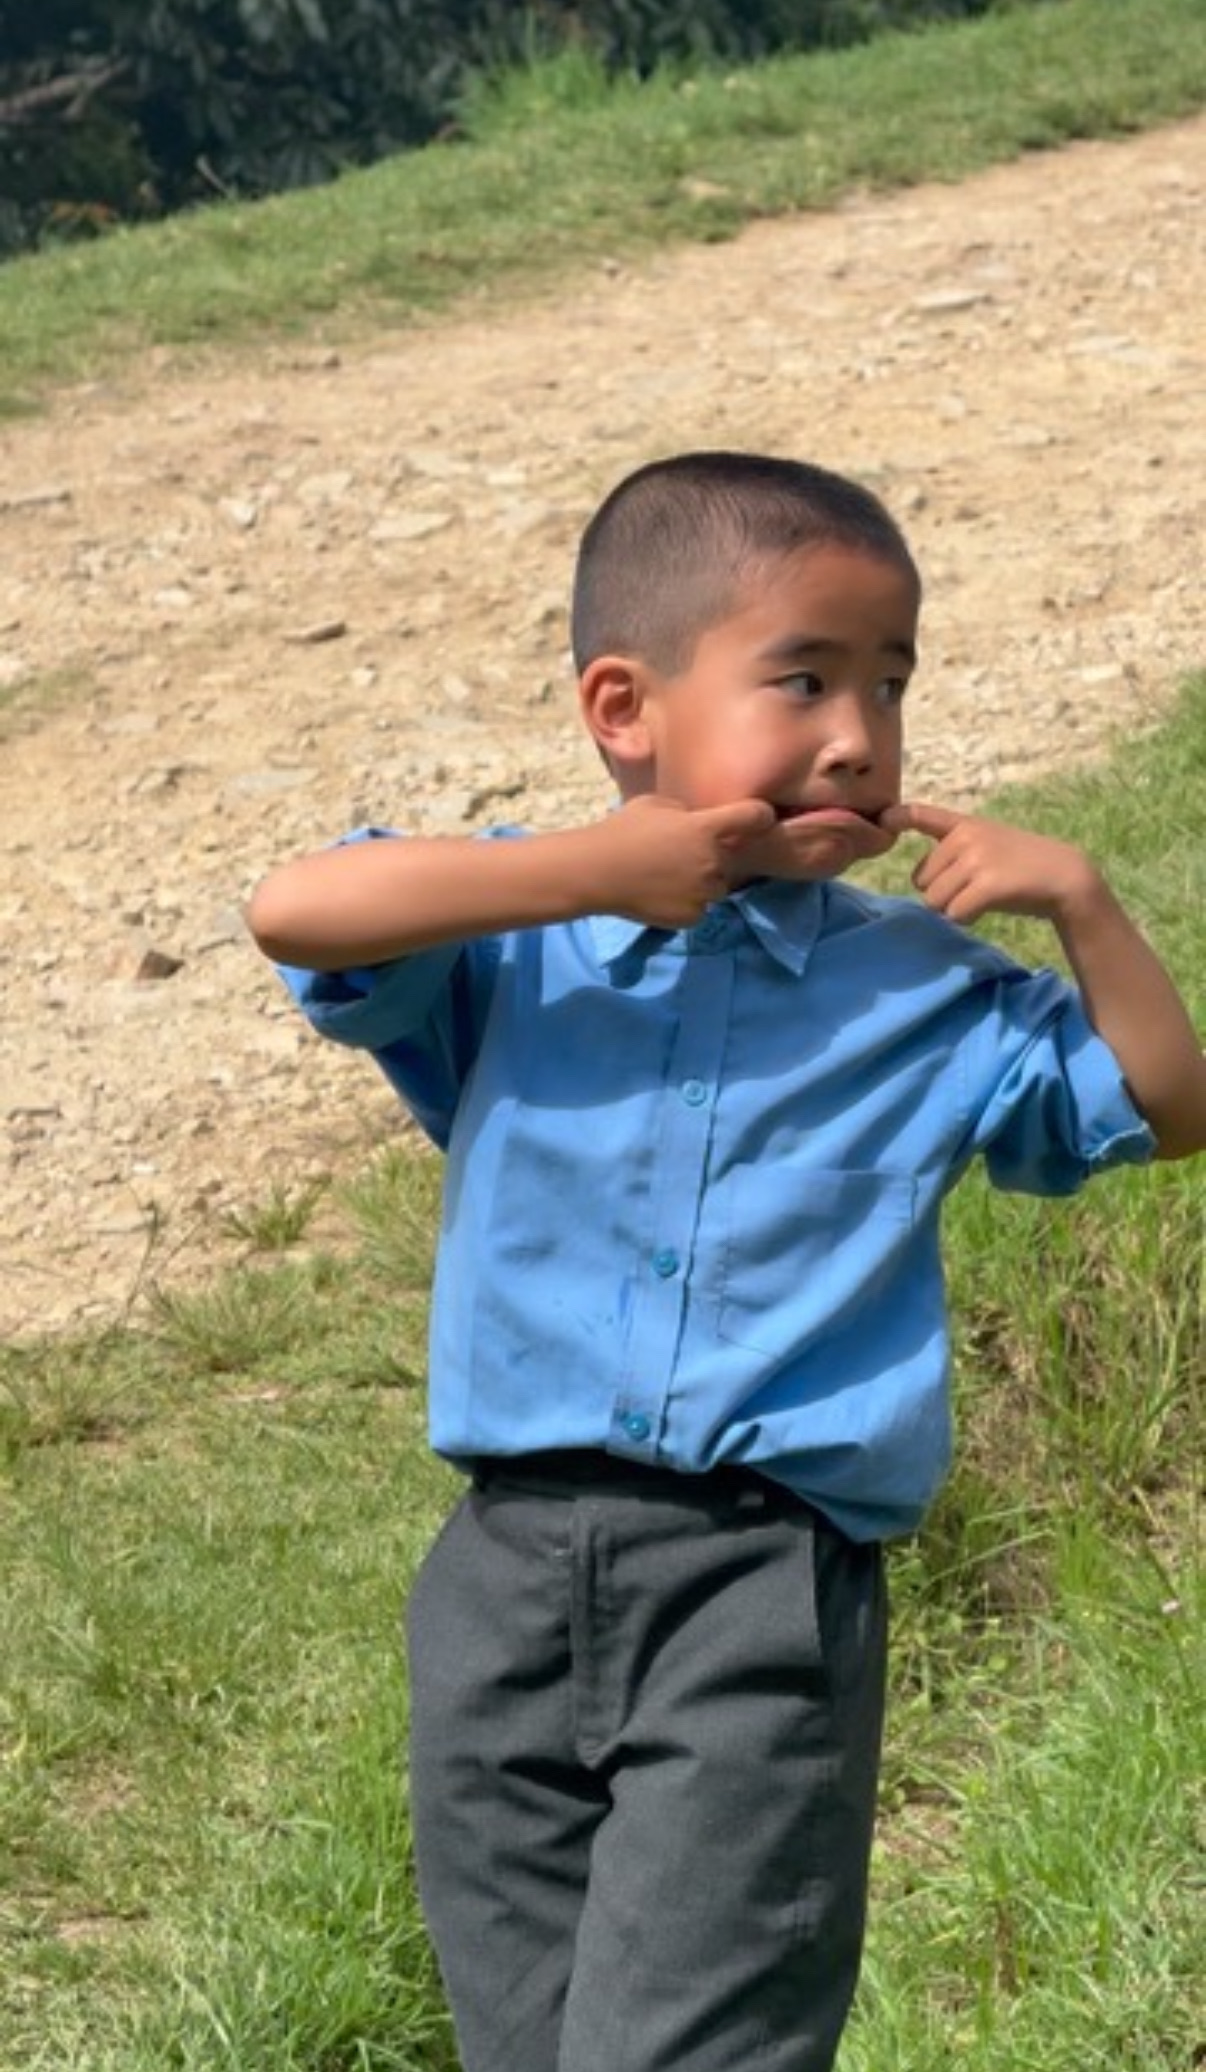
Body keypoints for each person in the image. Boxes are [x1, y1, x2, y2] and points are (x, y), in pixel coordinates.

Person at [248, 451, 1206, 2072]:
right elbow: (295, 910)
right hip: (500, 1577)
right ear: (622, 707)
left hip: (761, 1590)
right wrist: (587, 869)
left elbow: (1164, 1110)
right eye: (804, 679)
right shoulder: (512, 939)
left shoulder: (926, 991)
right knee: (527, 2041)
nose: (858, 734)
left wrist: (1083, 904)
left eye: (890, 683)